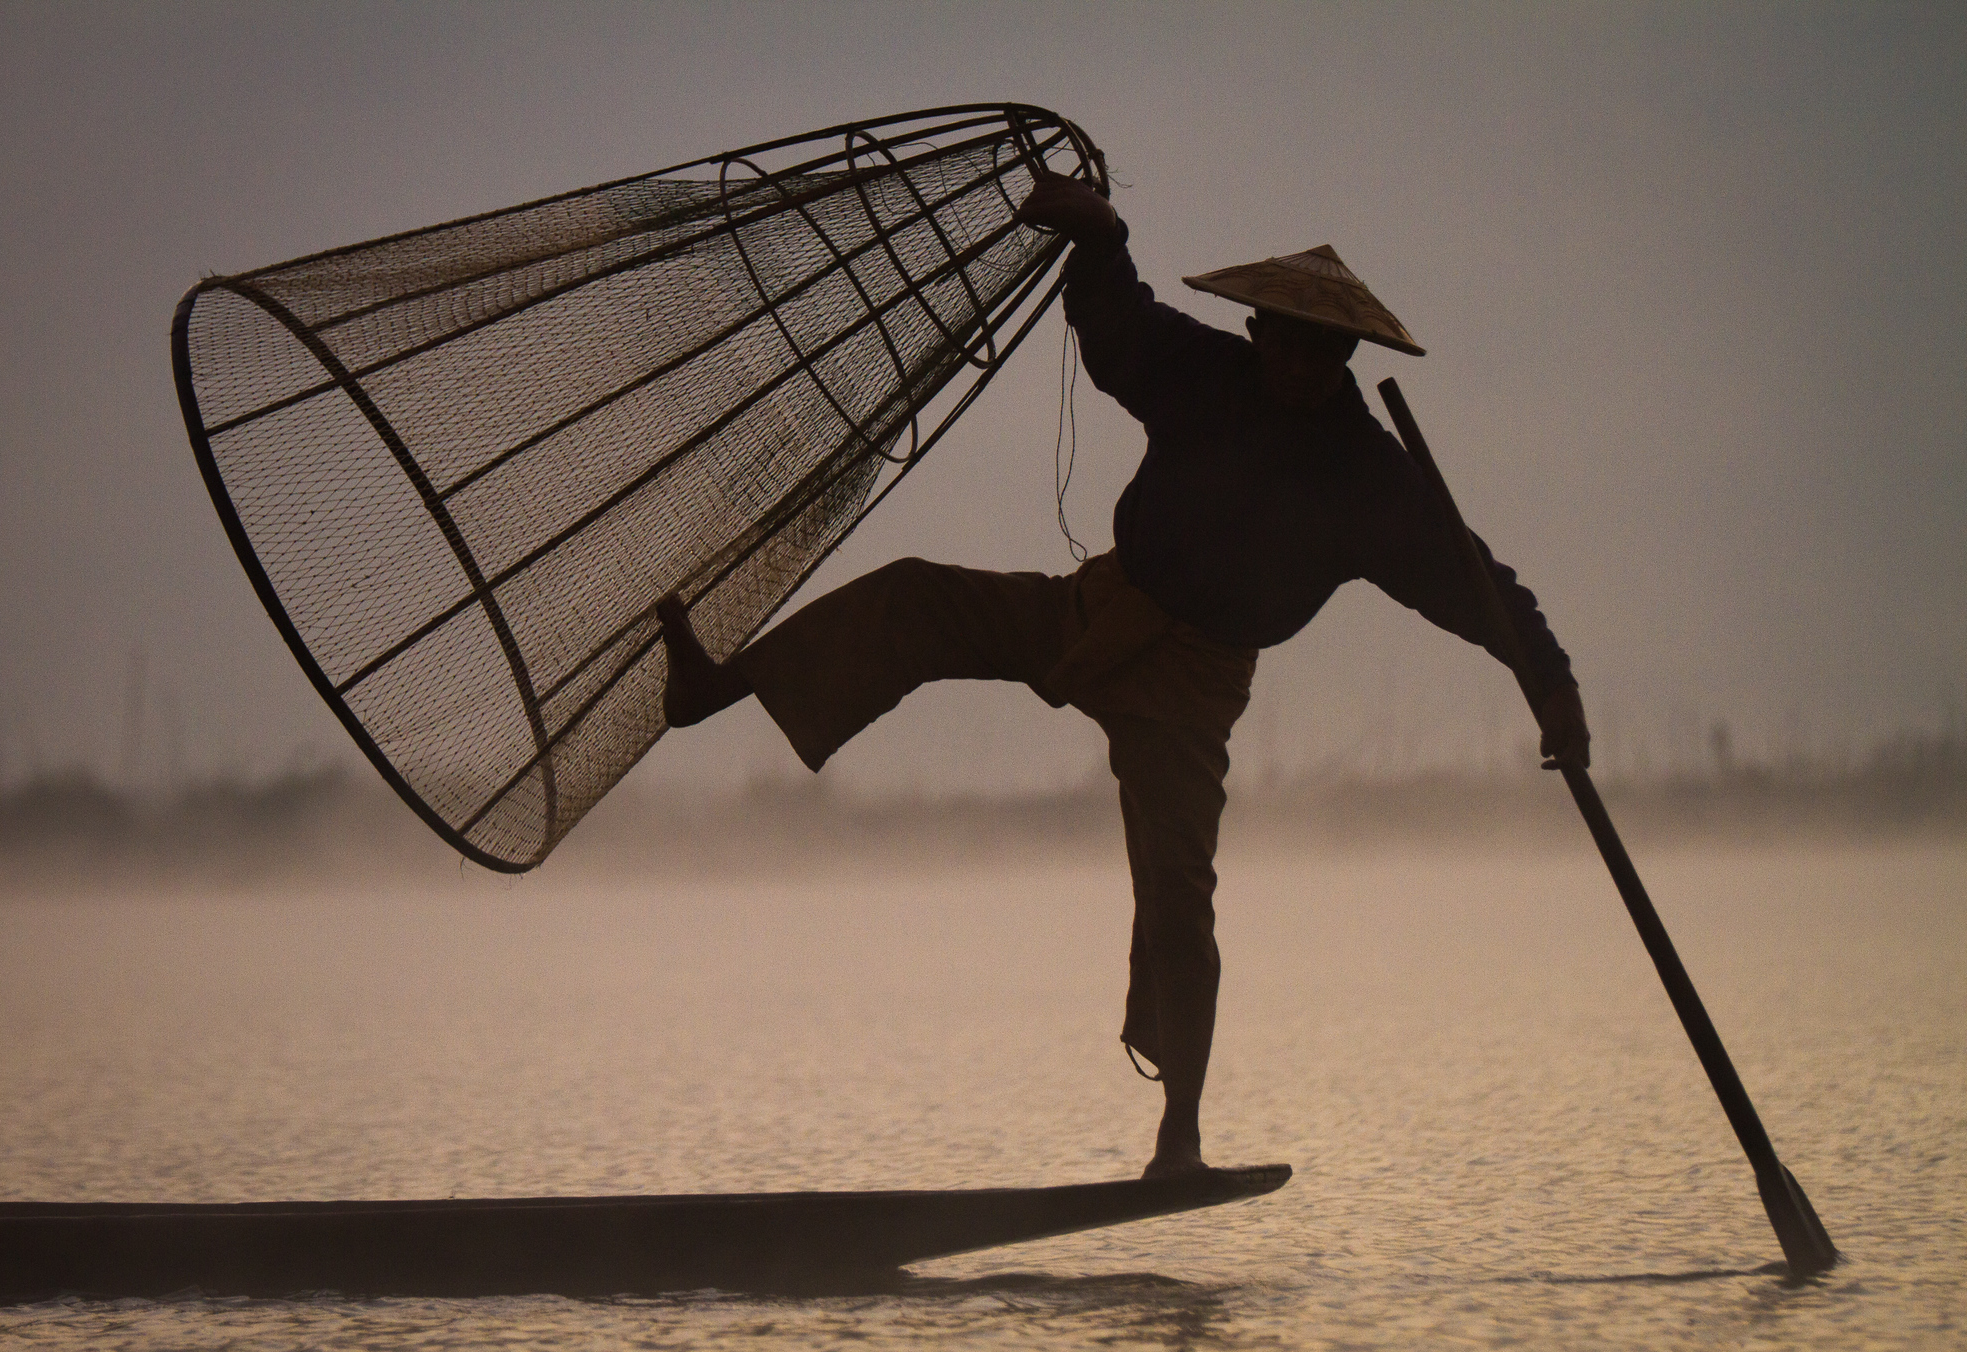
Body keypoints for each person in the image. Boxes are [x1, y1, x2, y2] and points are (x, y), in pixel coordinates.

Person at [657, 173, 1590, 1178]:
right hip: (1097, 610)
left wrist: (1551, 689)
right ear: (1257, 332)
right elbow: (1120, 326)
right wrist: (1100, 240)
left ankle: (1178, 1136)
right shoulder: (1206, 373)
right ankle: (719, 687)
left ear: (1343, 359)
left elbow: (1473, 584)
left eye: (1318, 349)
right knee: (915, 597)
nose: (1295, 360)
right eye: (1280, 337)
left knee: (1177, 893)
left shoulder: (1369, 479)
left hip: (1193, 683)